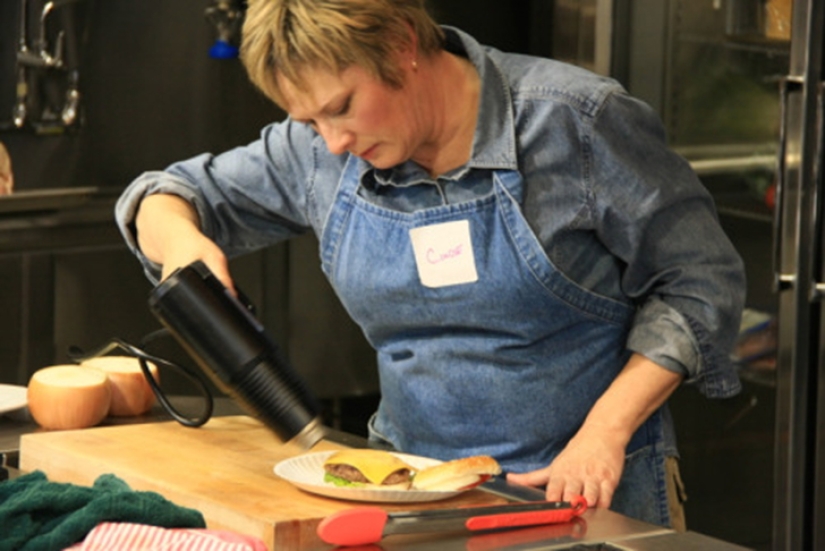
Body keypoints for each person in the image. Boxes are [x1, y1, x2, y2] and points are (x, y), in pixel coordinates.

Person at [115, 0, 745, 530]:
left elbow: (699, 280)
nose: (333, 141)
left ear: (401, 44)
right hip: (407, 501)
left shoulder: (573, 123)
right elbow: (161, 196)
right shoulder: (319, 153)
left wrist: (604, 432)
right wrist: (180, 242)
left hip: (582, 492)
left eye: (342, 106)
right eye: (309, 120)